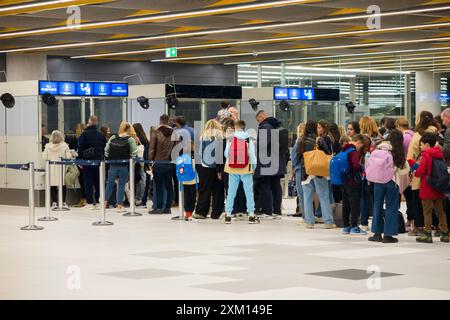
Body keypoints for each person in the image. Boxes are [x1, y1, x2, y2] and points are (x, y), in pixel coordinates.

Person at [369, 129, 409, 243]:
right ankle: (388, 235)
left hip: (378, 180)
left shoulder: (380, 146)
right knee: (391, 207)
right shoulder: (397, 150)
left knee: (377, 205)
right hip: (392, 181)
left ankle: (377, 233)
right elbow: (403, 168)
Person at [410, 133, 449, 243]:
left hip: (428, 186)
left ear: (426, 144)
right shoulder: (440, 154)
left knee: (427, 211)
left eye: (421, 144)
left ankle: (427, 234)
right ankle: (445, 234)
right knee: (441, 211)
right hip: (439, 186)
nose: (421, 147)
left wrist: (415, 172)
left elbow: (422, 170)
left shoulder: (426, 154)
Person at [296, 120, 335, 229]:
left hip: (306, 171)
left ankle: (309, 222)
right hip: (318, 171)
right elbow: (327, 153)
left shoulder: (301, 141)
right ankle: (328, 222)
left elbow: (297, 156)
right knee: (323, 196)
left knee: (307, 198)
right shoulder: (319, 140)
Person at [406, 111, 439, 236]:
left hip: (421, 173)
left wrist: (415, 168)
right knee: (437, 201)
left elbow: (410, 156)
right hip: (437, 173)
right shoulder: (438, 132)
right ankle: (438, 226)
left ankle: (420, 227)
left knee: (419, 201)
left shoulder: (417, 135)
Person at [223, 120, 258, 224]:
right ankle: (251, 215)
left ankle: (228, 215)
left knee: (231, 192)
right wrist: (254, 167)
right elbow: (252, 154)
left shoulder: (230, 138)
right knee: (248, 192)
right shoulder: (248, 138)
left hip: (232, 168)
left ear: (235, 127)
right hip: (246, 168)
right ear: (244, 127)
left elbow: (226, 154)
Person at [254, 110, 288, 219]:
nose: (258, 122)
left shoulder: (265, 127)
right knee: (276, 186)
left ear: (261, 116)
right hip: (278, 162)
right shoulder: (276, 127)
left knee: (266, 186)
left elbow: (263, 146)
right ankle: (277, 212)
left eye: (258, 119)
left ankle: (267, 212)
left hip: (267, 163)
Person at [194, 119, 225, 219]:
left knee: (204, 190)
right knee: (218, 191)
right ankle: (216, 213)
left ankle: (201, 212)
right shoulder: (222, 136)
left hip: (205, 167)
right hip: (218, 167)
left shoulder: (202, 137)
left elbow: (199, 153)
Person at [104, 122, 138, 212]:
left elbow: (106, 151)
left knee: (109, 184)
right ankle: (119, 205)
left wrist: (111, 157)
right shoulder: (130, 139)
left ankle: (104, 203)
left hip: (112, 165)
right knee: (121, 185)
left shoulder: (113, 137)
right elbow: (134, 152)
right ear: (130, 129)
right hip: (124, 165)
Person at [77, 115, 106, 210]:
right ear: (97, 123)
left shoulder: (84, 134)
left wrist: (80, 160)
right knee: (98, 182)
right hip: (98, 162)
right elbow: (104, 148)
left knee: (88, 182)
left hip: (87, 162)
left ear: (89, 122)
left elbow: (80, 148)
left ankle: (89, 202)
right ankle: (97, 202)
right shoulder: (101, 134)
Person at [148, 114, 175, 214]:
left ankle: (159, 207)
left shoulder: (156, 131)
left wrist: (150, 161)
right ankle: (168, 208)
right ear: (168, 121)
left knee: (158, 186)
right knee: (169, 186)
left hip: (158, 162)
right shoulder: (174, 132)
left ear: (160, 121)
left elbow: (152, 148)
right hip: (170, 162)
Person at [341, 134, 367, 235]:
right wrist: (362, 168)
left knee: (346, 205)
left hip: (344, 180)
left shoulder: (344, 149)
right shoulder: (353, 151)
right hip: (352, 181)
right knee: (354, 204)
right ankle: (354, 227)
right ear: (358, 142)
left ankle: (346, 226)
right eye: (361, 145)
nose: (360, 148)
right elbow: (355, 166)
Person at [42, 130, 72, 208]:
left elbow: (45, 157)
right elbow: (68, 157)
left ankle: (54, 203)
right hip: (61, 167)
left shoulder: (47, 146)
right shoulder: (64, 145)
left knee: (53, 185)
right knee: (63, 185)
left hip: (52, 168)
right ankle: (63, 202)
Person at [395, 117, 415, 229]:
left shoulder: (404, 137)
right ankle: (412, 219)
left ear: (398, 126)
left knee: (406, 194)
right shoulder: (414, 134)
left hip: (405, 168)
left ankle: (407, 220)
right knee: (412, 196)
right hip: (414, 167)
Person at [290, 123, 306, 220]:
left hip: (300, 168)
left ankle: (305, 216)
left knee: (301, 193)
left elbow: (293, 156)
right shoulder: (313, 140)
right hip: (308, 168)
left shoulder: (299, 141)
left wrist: (294, 166)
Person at [132, 123, 149, 206]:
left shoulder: (138, 138)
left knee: (141, 179)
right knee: (143, 178)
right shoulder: (144, 138)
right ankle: (141, 196)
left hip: (139, 159)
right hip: (144, 159)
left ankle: (140, 197)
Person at [359, 134, 373, 232]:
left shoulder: (361, 155)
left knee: (364, 201)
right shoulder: (372, 153)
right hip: (372, 180)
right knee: (373, 201)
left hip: (364, 180)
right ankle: (375, 222)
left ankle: (364, 223)